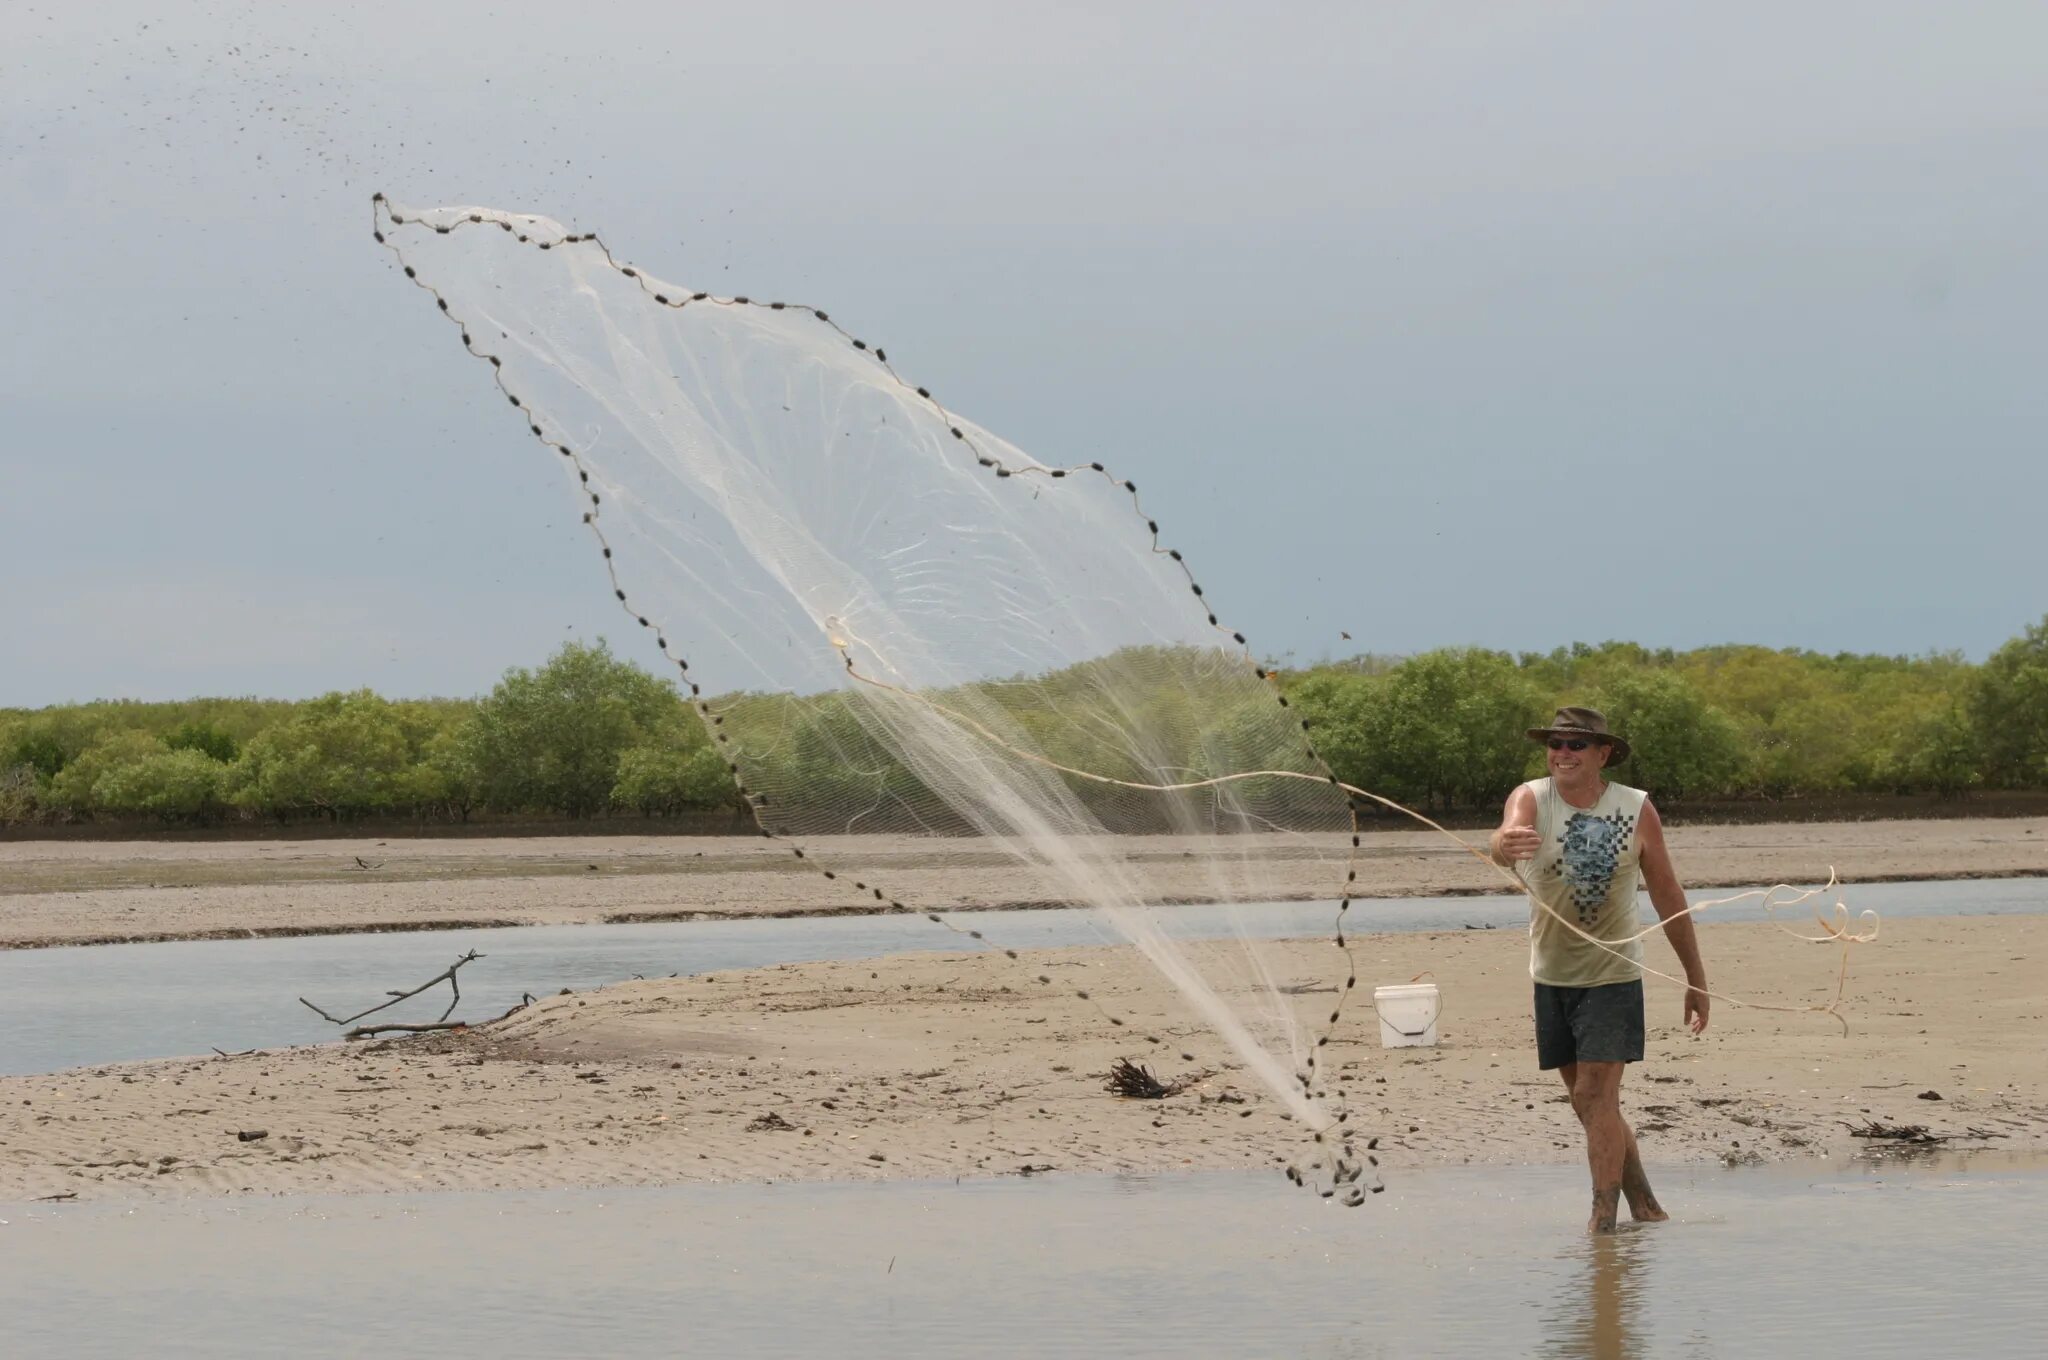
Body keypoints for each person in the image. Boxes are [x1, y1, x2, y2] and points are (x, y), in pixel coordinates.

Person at [1487, 706, 1709, 1233]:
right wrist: (1504, 846)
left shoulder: (1635, 808)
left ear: (1602, 754)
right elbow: (1503, 839)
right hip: (1552, 974)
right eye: (1556, 744)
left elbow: (1667, 893)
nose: (1563, 753)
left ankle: (1602, 1225)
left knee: (1593, 1096)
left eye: (1576, 745)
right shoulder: (1531, 797)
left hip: (1612, 975)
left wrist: (1695, 978)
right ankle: (1648, 1209)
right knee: (1591, 1105)